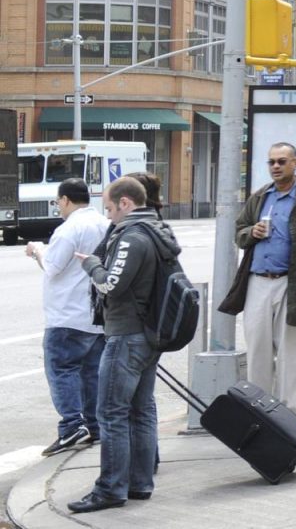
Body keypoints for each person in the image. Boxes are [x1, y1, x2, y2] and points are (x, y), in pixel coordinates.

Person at [68, 176, 181, 513]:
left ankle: (110, 489)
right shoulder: (159, 230)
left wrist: (91, 264)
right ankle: (140, 482)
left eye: (110, 209)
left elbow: (112, 285)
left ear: (126, 203)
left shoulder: (132, 236)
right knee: (141, 410)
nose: (109, 216)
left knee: (112, 413)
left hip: (127, 334)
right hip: (149, 333)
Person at [219, 141, 296, 412]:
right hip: (258, 282)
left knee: (290, 355)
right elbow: (239, 231)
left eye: (282, 161)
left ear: (295, 163)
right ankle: (259, 413)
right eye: (272, 162)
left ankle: (289, 416)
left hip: (290, 285)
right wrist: (251, 233)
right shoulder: (259, 197)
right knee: (257, 351)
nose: (276, 166)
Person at [27, 178, 109, 457]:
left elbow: (52, 267)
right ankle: (94, 426)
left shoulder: (69, 228)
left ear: (64, 200)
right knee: (91, 373)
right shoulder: (104, 223)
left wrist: (37, 249)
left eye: (58, 201)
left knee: (62, 370)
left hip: (66, 315)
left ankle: (73, 425)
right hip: (96, 315)